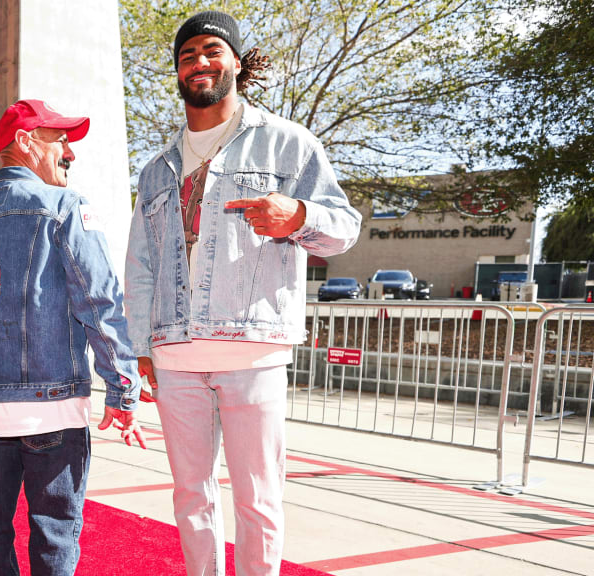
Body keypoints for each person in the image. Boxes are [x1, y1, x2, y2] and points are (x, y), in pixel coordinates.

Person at [123, 11, 363, 576]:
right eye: (187, 56)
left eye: (211, 51)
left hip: (252, 348)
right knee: (190, 497)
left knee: (258, 497)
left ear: (235, 61)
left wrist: (298, 214)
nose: (199, 63)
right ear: (178, 72)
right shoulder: (156, 169)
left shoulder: (287, 144)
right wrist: (138, 348)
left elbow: (344, 227)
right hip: (175, 353)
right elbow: (141, 263)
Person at [0, 99, 145, 575]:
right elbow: (100, 303)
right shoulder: (65, 207)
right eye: (61, 141)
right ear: (26, 144)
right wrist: (122, 387)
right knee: (53, 528)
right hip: (52, 404)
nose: (70, 152)